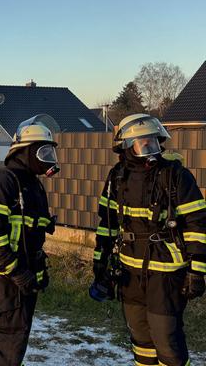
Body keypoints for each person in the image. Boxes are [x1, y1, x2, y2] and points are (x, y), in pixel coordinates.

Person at [91, 113, 206, 366]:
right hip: (129, 271)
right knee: (140, 338)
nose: (149, 148)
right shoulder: (117, 177)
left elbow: (198, 224)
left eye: (152, 141)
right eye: (142, 142)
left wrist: (196, 271)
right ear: (125, 146)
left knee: (167, 340)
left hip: (166, 274)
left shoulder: (176, 175)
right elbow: (107, 225)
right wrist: (100, 266)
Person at [0, 115, 59, 366]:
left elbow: (33, 230)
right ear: (25, 152)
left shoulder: (32, 185)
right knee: (9, 340)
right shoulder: (1, 182)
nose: (48, 158)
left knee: (19, 336)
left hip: (23, 274)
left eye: (50, 152)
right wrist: (16, 271)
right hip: (5, 277)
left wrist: (38, 267)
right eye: (42, 151)